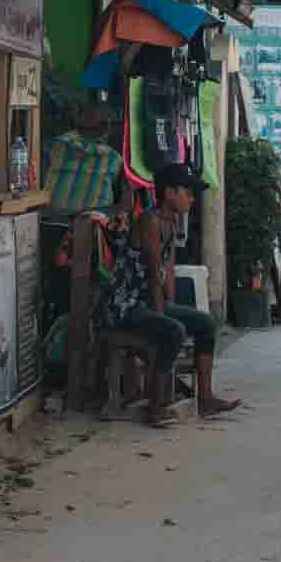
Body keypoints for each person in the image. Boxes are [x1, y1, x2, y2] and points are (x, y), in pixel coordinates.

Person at [98, 163, 241, 427]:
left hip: (146, 301)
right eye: (187, 192)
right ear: (169, 193)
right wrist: (163, 313)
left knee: (206, 324)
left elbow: (168, 270)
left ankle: (205, 399)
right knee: (172, 330)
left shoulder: (171, 222)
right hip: (125, 305)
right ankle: (156, 408)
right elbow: (154, 273)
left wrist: (169, 305)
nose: (191, 198)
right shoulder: (150, 220)